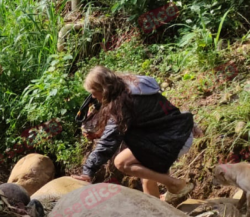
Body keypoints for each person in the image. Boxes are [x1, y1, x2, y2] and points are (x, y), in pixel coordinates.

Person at [71, 66, 196, 203]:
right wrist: (189, 126)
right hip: (175, 132)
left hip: (172, 139)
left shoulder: (123, 104)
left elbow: (108, 143)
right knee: (148, 179)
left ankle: (174, 184)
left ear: (104, 90)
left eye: (94, 93)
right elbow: (164, 110)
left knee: (122, 162)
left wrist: (87, 172)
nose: (93, 97)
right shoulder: (133, 86)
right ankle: (160, 209)